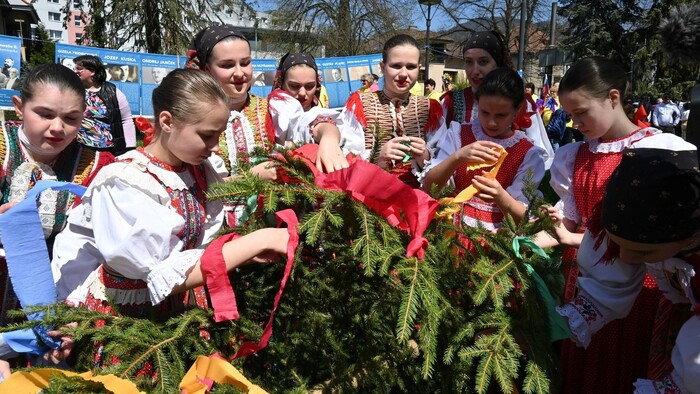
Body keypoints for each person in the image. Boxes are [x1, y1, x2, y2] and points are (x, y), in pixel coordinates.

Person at [50, 69, 291, 381]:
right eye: (206, 135)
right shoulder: (127, 182)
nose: (215, 147)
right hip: (130, 325)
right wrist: (258, 241)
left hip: (177, 316)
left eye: (218, 135)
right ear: (167, 122)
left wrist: (236, 250)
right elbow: (160, 275)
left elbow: (197, 244)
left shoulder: (198, 169)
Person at [532, 56, 695, 393]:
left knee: (633, 362)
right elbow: (573, 222)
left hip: (652, 281)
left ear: (613, 97)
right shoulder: (575, 156)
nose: (575, 123)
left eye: (582, 112)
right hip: (597, 279)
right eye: (570, 115)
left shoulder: (662, 150)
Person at [554, 147, 700, 394]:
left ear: (691, 239)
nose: (625, 257)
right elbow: (610, 283)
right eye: (618, 244)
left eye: (644, 253)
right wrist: (552, 325)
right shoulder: (634, 213)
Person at [0, 63, 114, 378]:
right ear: (19, 107)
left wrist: (73, 316)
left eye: (71, 119)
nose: (57, 128)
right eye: (45, 114)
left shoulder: (95, 166)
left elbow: (97, 248)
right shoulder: (2, 147)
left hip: (58, 317)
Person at [423, 68, 545, 229]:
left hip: (496, 239)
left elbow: (523, 220)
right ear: (477, 104)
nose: (491, 122)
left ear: (517, 109)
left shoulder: (527, 153)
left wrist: (500, 196)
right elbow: (429, 187)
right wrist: (457, 157)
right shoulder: (458, 134)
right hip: (451, 230)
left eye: (501, 115)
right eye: (484, 112)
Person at [338, 34, 447, 188]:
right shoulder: (359, 104)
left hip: (418, 200)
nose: (403, 74)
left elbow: (445, 159)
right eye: (396, 66)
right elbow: (344, 156)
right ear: (383, 67)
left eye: (411, 67)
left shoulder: (429, 108)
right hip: (368, 198)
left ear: (418, 68)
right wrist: (377, 156)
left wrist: (424, 156)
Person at [440, 31, 554, 169]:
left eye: (483, 62)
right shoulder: (451, 101)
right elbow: (439, 150)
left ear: (498, 63)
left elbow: (538, 154)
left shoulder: (521, 104)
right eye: (469, 62)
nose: (475, 70)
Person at [268, 52, 349, 173]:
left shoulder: (317, 113)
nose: (302, 93)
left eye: (309, 86)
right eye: (294, 86)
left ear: (317, 85)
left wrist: (329, 138)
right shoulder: (270, 112)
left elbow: (318, 122)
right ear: (281, 84)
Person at [73, 55, 135, 156]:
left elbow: (126, 120)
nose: (75, 71)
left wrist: (130, 148)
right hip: (79, 148)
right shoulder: (73, 90)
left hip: (108, 150)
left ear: (92, 71)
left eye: (79, 69)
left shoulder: (113, 92)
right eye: (75, 68)